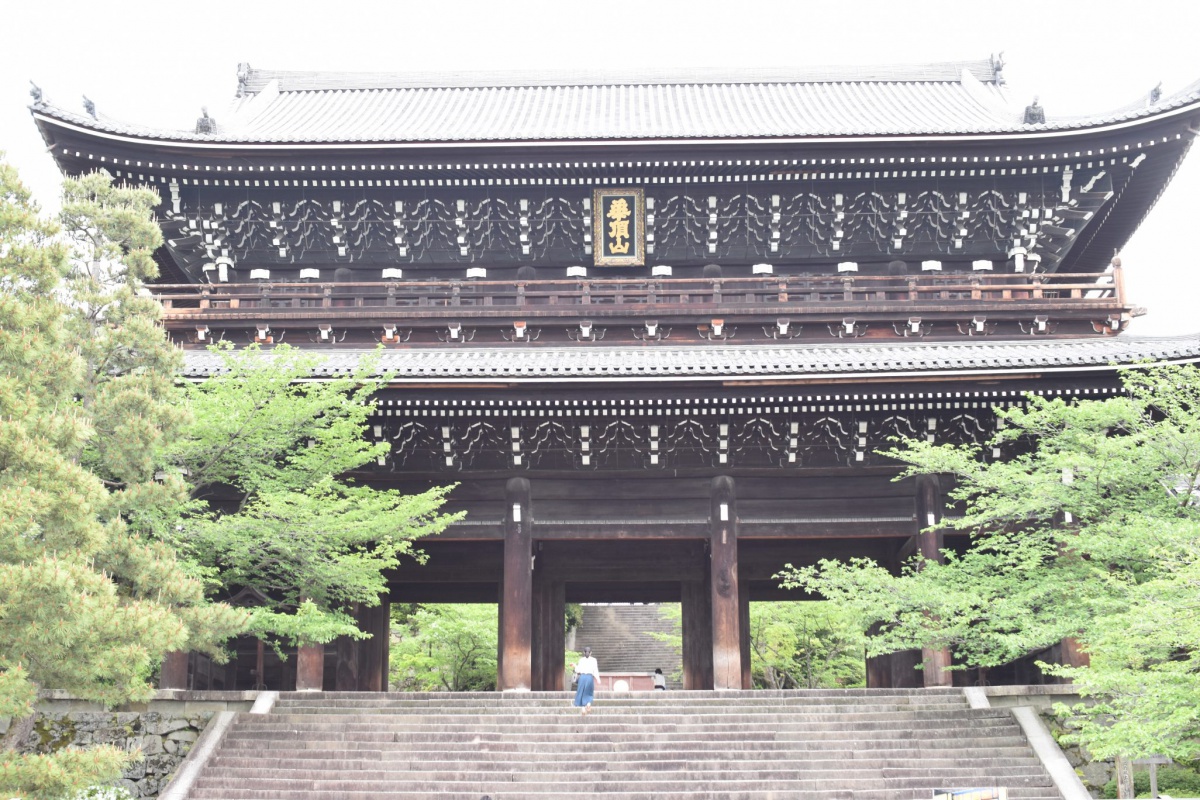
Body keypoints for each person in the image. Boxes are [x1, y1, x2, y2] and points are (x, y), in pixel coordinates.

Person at [572, 646, 599, 715]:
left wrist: (575, 666)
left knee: (581, 693)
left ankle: (583, 709)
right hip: (589, 677)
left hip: (582, 677)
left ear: (584, 652)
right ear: (591, 653)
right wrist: (598, 679)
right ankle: (588, 704)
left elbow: (578, 670)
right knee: (589, 693)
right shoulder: (594, 660)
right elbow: (595, 670)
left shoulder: (581, 660)